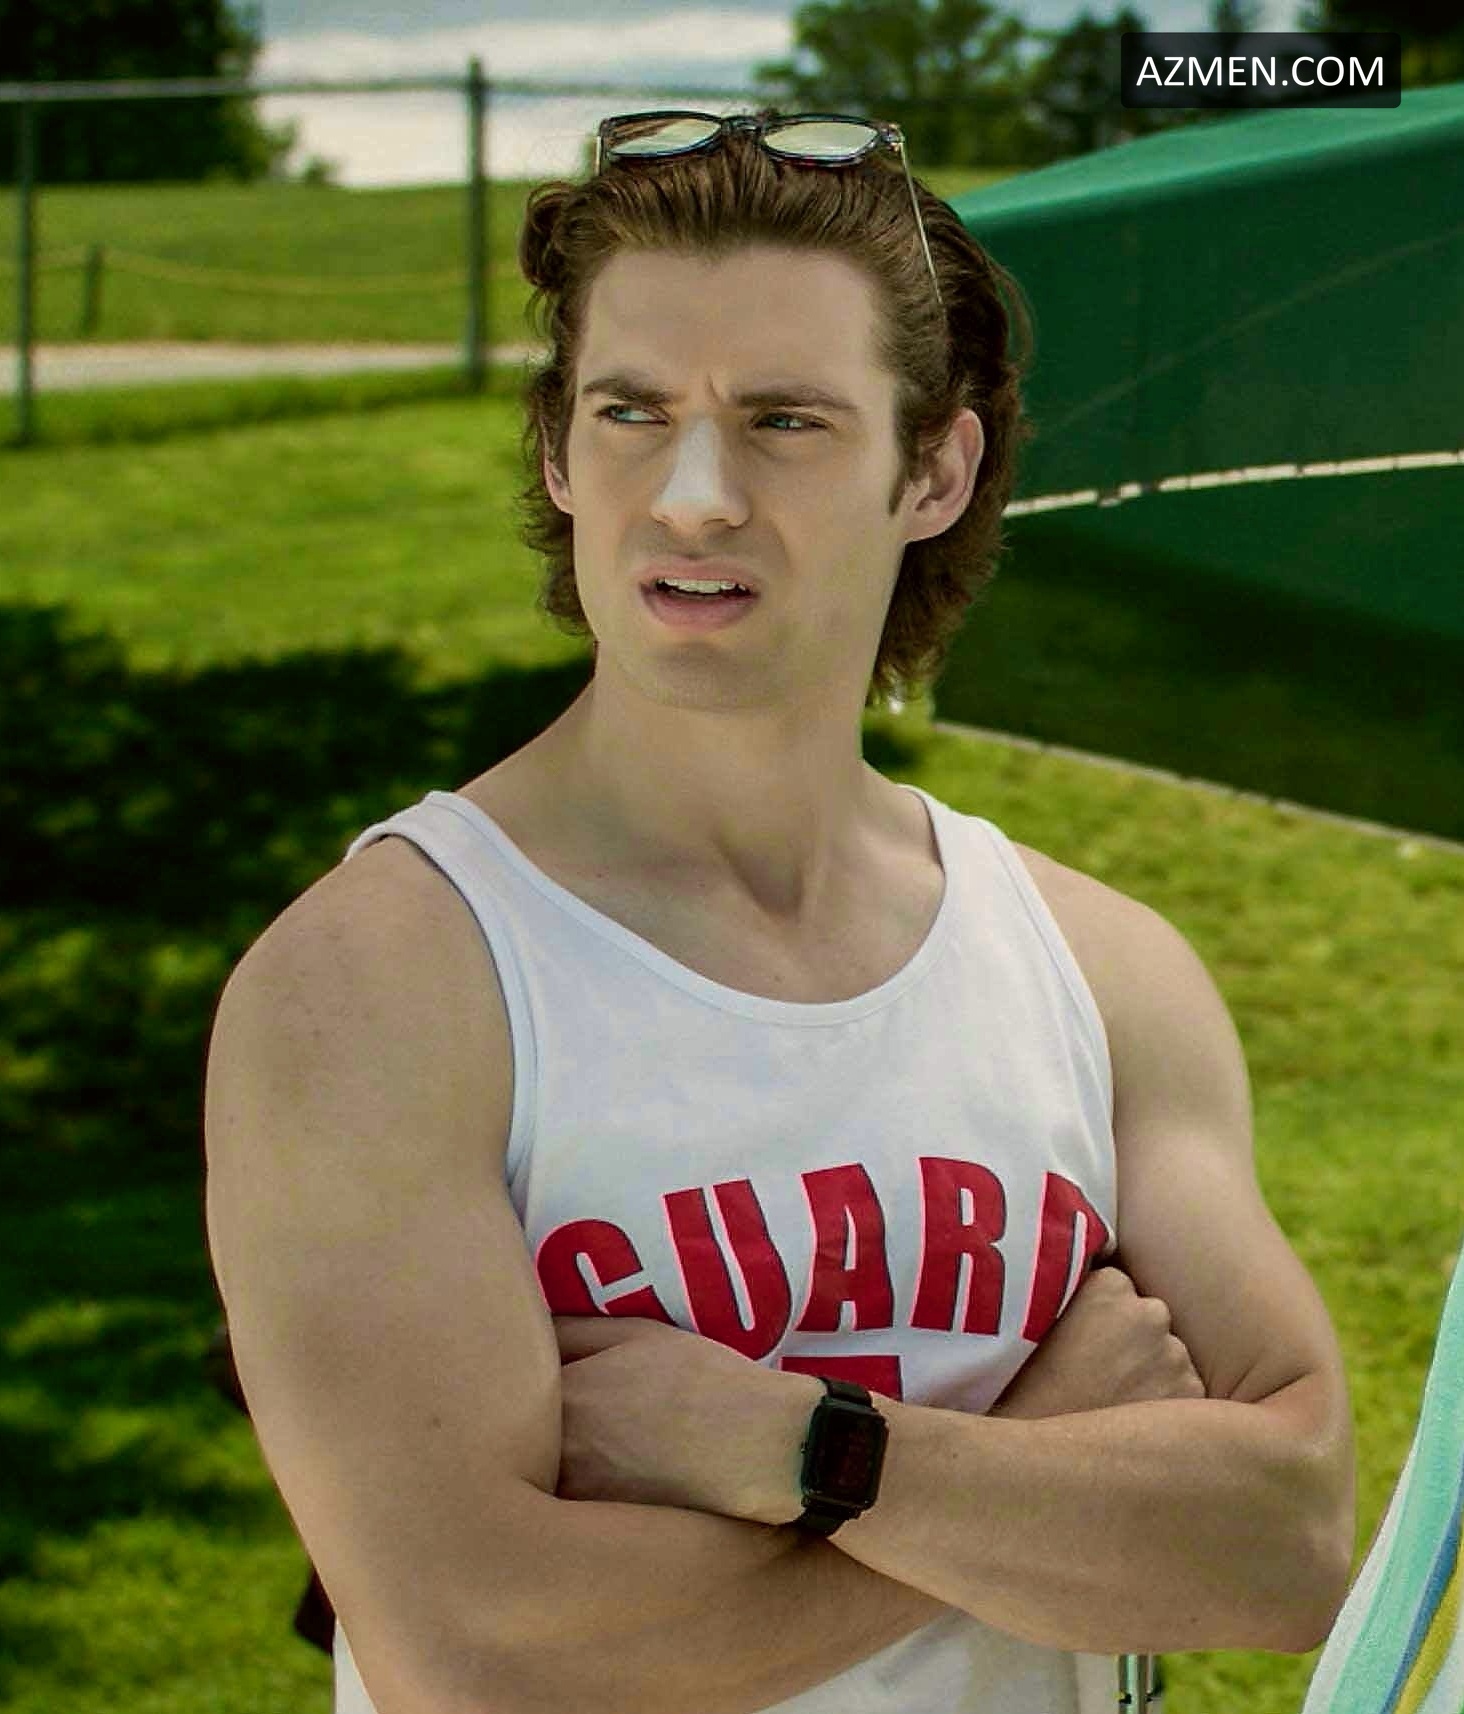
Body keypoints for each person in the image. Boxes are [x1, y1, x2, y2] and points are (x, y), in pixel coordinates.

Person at [202, 109, 1357, 1714]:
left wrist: (801, 1450)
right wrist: (1032, 1453)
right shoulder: (385, 984)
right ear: (557, 451)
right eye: (631, 411)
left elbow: (1286, 1543)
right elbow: (477, 1659)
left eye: (783, 420)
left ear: (935, 467)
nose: (692, 495)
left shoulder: (1097, 969)